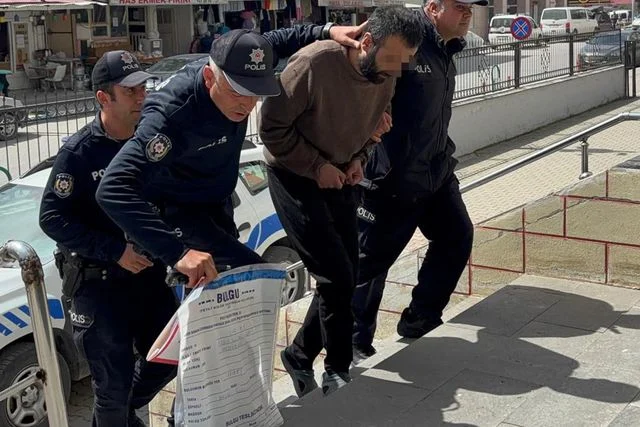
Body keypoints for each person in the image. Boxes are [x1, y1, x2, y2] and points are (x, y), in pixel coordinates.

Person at [96, 25, 363, 289]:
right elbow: (112, 188)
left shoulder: (238, 60)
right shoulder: (170, 117)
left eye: (255, 92)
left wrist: (327, 31)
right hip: (179, 212)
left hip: (217, 202)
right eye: (237, 91)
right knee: (257, 278)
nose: (246, 104)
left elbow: (273, 41)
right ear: (209, 77)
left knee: (227, 294)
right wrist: (178, 253)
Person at [259, 5, 423, 397]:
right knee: (336, 276)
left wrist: (359, 158)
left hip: (342, 171)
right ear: (367, 42)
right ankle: (336, 369)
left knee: (349, 271)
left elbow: (377, 119)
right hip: (294, 174)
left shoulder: (385, 72)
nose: (397, 70)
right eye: (393, 59)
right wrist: (318, 167)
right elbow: (271, 129)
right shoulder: (313, 64)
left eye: (405, 62)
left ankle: (299, 355)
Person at [39, 50, 176, 427]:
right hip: (100, 285)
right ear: (104, 97)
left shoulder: (151, 140)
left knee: (169, 357)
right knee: (111, 391)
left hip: (149, 278)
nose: (141, 97)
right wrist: (115, 251)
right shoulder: (79, 153)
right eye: (130, 91)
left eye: (143, 88)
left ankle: (125, 412)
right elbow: (52, 218)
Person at [352, 0, 486, 362]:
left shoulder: (446, 47)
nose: (468, 14)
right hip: (391, 177)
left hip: (435, 171)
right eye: (459, 6)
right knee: (369, 265)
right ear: (433, 7)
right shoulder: (406, 37)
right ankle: (354, 343)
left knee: (456, 235)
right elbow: (365, 83)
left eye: (471, 8)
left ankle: (420, 318)